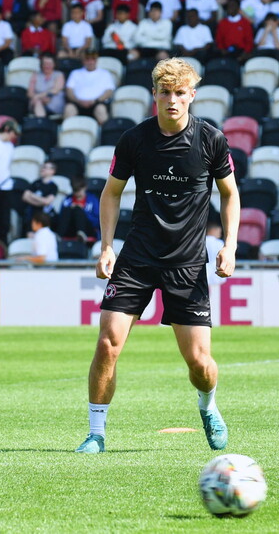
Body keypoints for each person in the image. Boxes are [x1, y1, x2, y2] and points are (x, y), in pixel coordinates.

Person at [77, 58, 240, 455]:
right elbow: (111, 193)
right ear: (154, 95)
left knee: (200, 364)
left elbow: (230, 193)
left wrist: (230, 245)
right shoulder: (134, 140)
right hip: (137, 258)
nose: (172, 100)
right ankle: (96, 433)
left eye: (180, 93)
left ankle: (209, 406)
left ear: (192, 96)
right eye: (165, 92)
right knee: (107, 344)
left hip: (186, 263)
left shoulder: (211, 140)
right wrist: (106, 247)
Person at [63, 49, 114, 125]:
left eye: (93, 59)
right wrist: (78, 101)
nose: (90, 62)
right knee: (69, 109)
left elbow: (109, 91)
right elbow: (69, 90)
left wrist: (95, 101)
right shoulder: (75, 73)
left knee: (101, 110)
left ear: (96, 60)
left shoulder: (105, 73)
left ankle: (105, 134)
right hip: (78, 103)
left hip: (96, 103)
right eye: (87, 59)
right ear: (83, 61)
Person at [57, 176, 100, 241]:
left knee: (78, 210)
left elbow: (97, 221)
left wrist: (83, 212)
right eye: (75, 190)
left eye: (79, 190)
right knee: (68, 209)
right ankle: (59, 236)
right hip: (71, 229)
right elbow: (61, 218)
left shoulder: (93, 200)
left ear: (85, 187)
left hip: (88, 229)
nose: (77, 193)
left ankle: (81, 234)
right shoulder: (67, 200)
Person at [28, 53, 66, 118]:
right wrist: (39, 98)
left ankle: (41, 122)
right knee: (37, 102)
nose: (47, 66)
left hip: (53, 102)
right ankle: (42, 122)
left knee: (37, 100)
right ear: (41, 64)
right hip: (37, 102)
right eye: (45, 63)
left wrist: (38, 96)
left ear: (54, 64)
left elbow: (55, 90)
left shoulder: (59, 74)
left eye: (49, 64)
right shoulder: (36, 75)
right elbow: (29, 93)